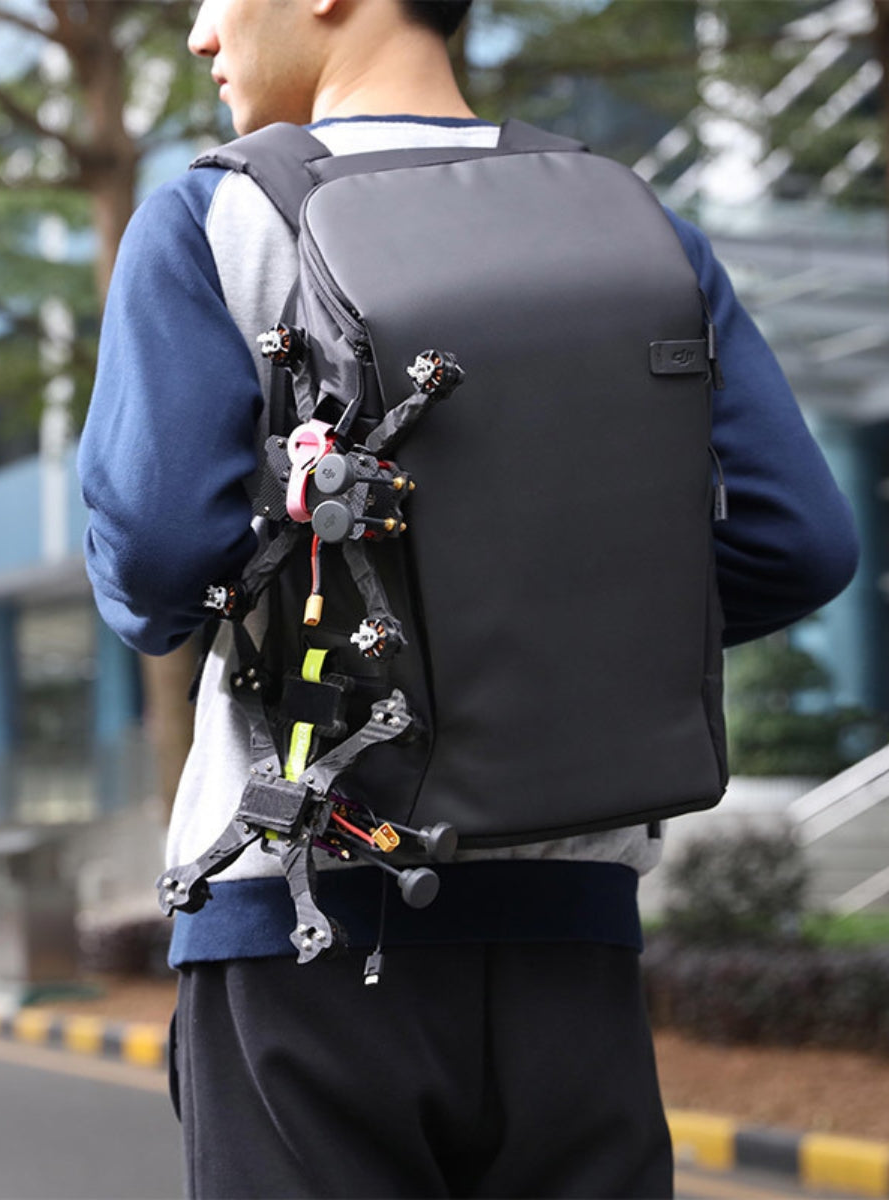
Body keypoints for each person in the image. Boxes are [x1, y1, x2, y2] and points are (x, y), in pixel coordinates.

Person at [77, 1, 859, 1195]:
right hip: (571, 927)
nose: (198, 34)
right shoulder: (639, 226)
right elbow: (799, 542)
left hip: (300, 923)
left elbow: (153, 567)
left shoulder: (212, 221)